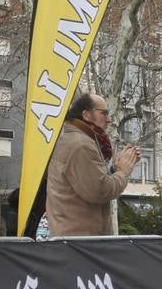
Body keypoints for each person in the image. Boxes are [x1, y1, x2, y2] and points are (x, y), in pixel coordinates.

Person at [44, 92, 141, 237]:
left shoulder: (77, 139)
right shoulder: (81, 145)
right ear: (87, 115)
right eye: (104, 113)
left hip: (75, 239)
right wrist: (122, 172)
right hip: (80, 243)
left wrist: (115, 169)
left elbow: (91, 183)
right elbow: (100, 191)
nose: (108, 120)